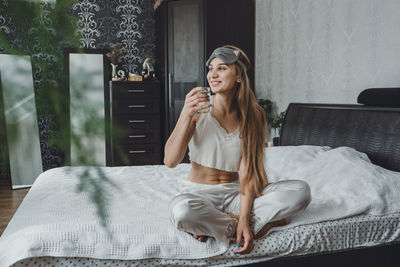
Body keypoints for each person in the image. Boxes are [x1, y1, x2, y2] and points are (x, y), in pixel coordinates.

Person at [164, 45, 311, 254]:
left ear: (239, 76)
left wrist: (242, 217)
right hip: (200, 195)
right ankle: (259, 226)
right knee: (182, 211)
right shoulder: (197, 109)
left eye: (222, 68)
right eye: (211, 69)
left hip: (236, 195)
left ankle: (222, 226)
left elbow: (248, 171)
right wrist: (185, 114)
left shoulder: (255, 115)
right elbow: (170, 160)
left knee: (300, 191)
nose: (213, 74)